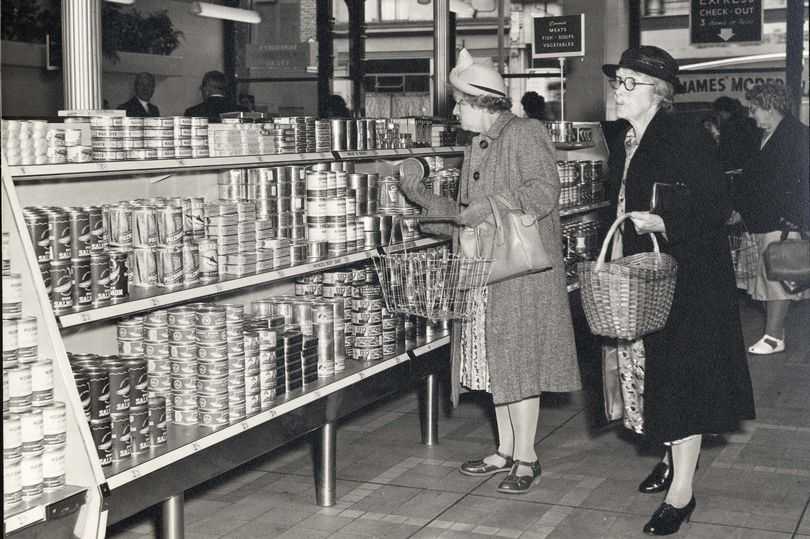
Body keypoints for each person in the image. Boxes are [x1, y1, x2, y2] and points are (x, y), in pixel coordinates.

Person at [399, 49, 581, 495]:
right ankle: (504, 449)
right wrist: (419, 197)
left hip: (521, 273)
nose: (455, 109)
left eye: (460, 101)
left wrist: (488, 208)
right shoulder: (477, 145)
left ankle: (527, 457)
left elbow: (544, 191)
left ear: (482, 102)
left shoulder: (523, 132)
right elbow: (466, 216)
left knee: (518, 362)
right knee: (493, 362)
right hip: (487, 270)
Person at [601, 46, 755, 535]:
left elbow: (717, 205)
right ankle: (671, 458)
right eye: (617, 80)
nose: (618, 90)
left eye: (629, 82)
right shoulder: (630, 137)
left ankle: (682, 493)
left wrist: (663, 219)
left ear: (659, 94)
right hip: (652, 276)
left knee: (682, 381)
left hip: (689, 281)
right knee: (658, 376)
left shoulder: (682, 135)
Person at [734, 82, 810, 355]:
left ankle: (774, 336)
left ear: (771, 106)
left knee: (778, 278)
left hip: (781, 221)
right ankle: (776, 332)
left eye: (755, 109)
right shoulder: (768, 135)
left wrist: (794, 219)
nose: (752, 115)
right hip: (763, 218)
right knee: (768, 278)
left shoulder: (798, 136)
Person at [712, 96, 759, 172]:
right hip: (749, 165)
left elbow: (724, 152)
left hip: (733, 168)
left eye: (718, 114)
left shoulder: (727, 126)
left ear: (722, 112)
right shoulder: (747, 121)